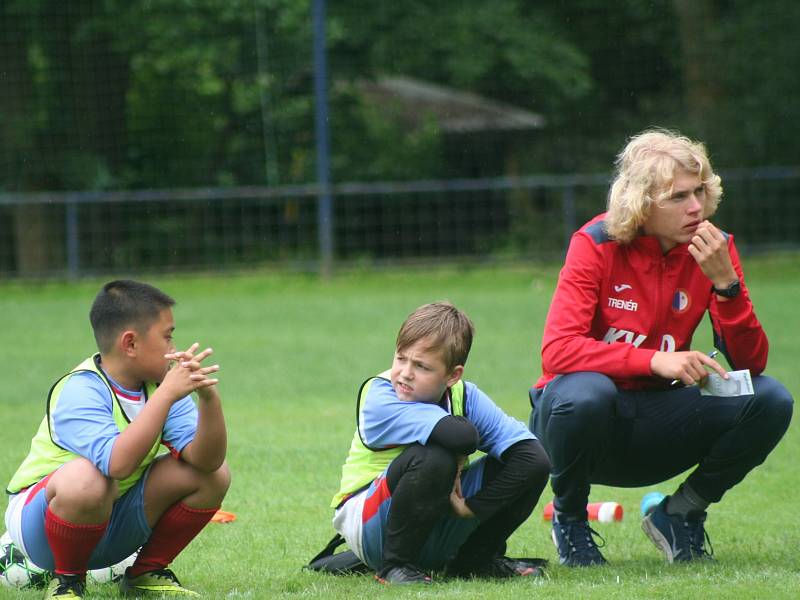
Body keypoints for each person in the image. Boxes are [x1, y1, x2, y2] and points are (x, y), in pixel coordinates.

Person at [529, 129, 793, 567]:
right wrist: (654, 359)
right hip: (579, 424)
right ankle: (570, 519)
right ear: (641, 202)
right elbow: (558, 351)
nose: (695, 207)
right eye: (678, 197)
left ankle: (680, 514)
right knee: (586, 392)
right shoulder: (595, 243)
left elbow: (752, 363)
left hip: (660, 421)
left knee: (769, 397)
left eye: (700, 192)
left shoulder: (715, 248)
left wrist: (727, 287)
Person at [4, 280, 231, 598]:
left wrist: (210, 401)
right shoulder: (81, 390)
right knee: (89, 478)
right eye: (167, 336)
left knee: (214, 475)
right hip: (41, 528)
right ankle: (67, 582)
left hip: (109, 517)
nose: (173, 347)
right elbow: (117, 464)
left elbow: (208, 461)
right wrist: (166, 394)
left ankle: (145, 573)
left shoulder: (159, 386)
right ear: (130, 344)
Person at [329, 301, 551, 584]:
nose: (405, 373)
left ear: (453, 375)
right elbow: (461, 436)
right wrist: (459, 453)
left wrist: (473, 507)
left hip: (435, 518)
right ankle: (394, 566)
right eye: (400, 358)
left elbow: (532, 458)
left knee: (527, 465)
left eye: (421, 366)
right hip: (367, 524)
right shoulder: (380, 396)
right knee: (435, 457)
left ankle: (476, 560)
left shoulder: (465, 395)